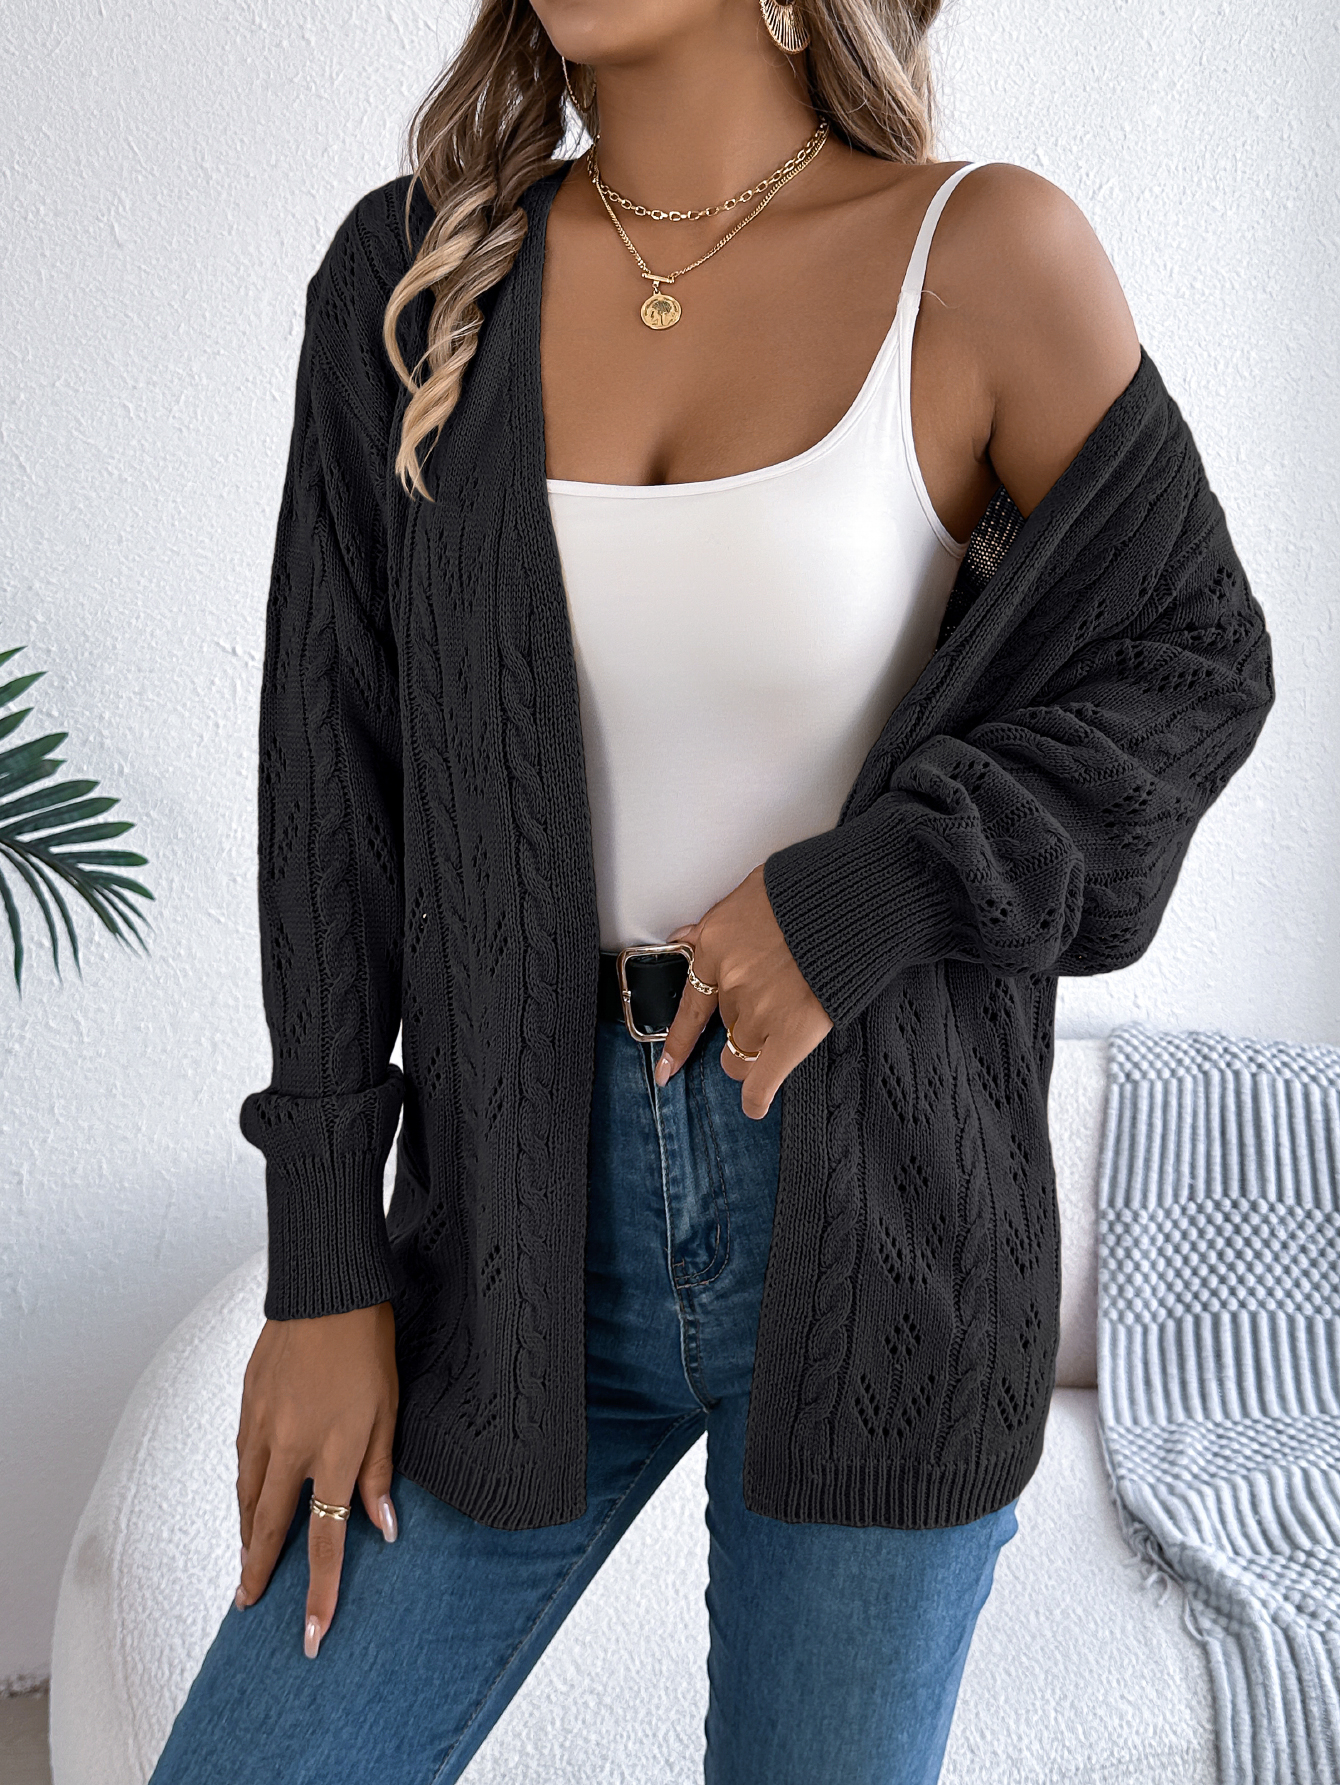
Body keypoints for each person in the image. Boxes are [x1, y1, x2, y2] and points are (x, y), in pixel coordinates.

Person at [148, 2, 1273, 1782]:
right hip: (509, 1226)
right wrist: (322, 1265)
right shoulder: (416, 278)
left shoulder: (983, 257)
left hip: (885, 1222)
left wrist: (877, 888)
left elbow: (1190, 663)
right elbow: (330, 792)